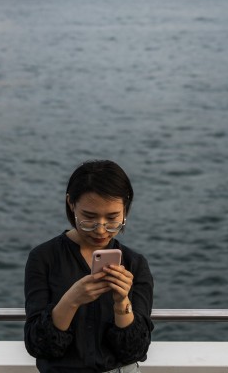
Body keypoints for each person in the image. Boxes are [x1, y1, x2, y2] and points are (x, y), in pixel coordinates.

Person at [24, 160, 154, 373]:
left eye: (112, 218)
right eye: (89, 217)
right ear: (71, 204)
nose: (101, 229)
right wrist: (71, 299)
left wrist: (122, 301)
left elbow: (136, 350)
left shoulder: (135, 264)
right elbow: (39, 345)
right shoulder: (43, 258)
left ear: (125, 210)